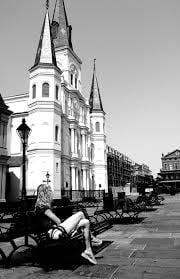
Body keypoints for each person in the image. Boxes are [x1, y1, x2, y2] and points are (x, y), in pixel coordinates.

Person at [34, 183, 102, 265]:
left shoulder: (40, 207)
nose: (51, 193)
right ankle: (92, 239)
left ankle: (88, 250)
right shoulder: (43, 208)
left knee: (85, 222)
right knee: (80, 214)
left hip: (54, 231)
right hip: (54, 233)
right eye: (50, 191)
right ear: (46, 193)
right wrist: (67, 223)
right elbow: (58, 221)